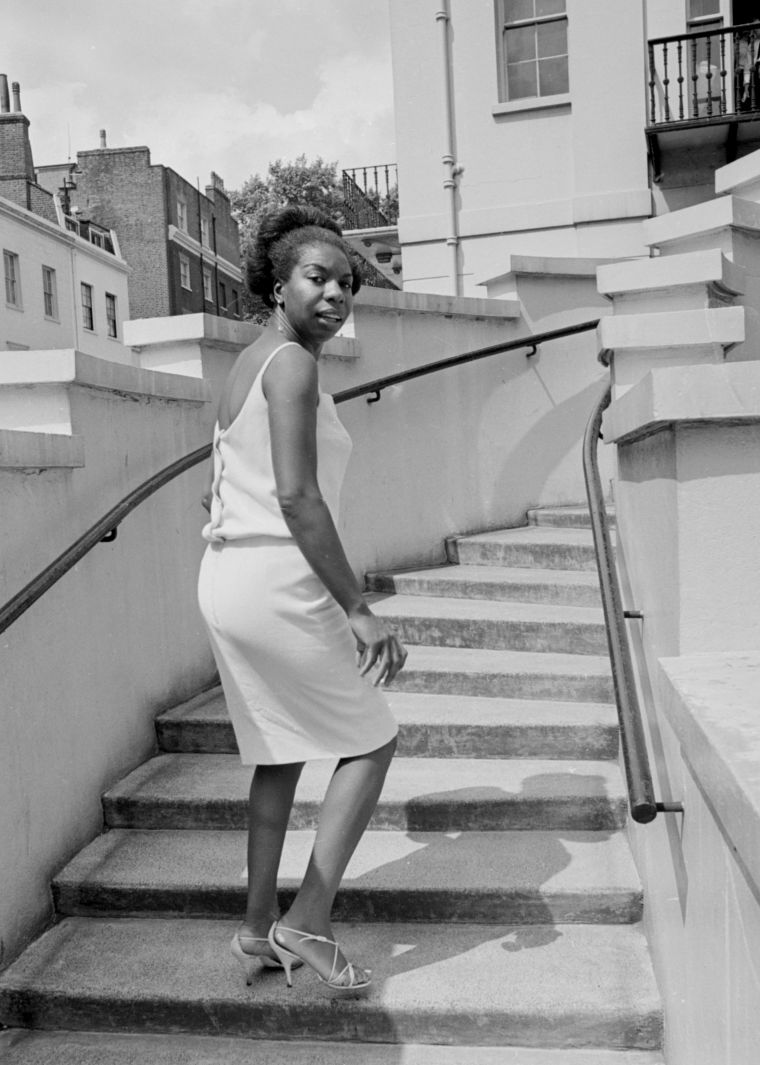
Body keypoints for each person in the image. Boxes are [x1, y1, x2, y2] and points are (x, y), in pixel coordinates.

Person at [197, 205, 406, 997]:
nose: (336, 294)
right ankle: (307, 920)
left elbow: (216, 489)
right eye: (317, 277)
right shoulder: (292, 366)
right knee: (372, 739)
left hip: (229, 577)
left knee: (279, 751)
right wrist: (357, 607)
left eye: (347, 282)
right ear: (278, 284)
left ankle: (258, 926)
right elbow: (296, 495)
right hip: (278, 583)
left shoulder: (251, 363)